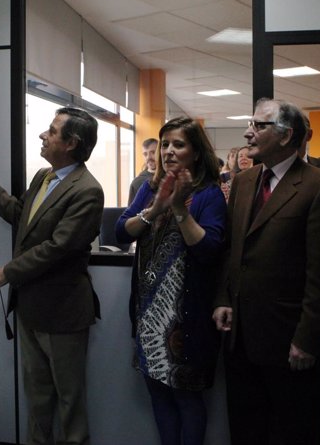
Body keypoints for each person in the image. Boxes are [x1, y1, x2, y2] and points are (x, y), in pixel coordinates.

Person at [213, 98, 320, 445]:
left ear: (286, 136)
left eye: (259, 125)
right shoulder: (243, 182)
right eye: (250, 124)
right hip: (240, 334)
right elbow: (232, 249)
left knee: (291, 430)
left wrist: (308, 339)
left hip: (289, 339)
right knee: (245, 427)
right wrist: (224, 297)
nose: (248, 132)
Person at [0, 107, 104, 445]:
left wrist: (8, 272)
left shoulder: (87, 190)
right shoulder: (43, 177)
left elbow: (58, 248)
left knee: (70, 402)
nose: (43, 135)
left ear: (71, 143)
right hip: (31, 307)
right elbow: (21, 216)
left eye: (52, 131)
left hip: (63, 312)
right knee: (38, 398)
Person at [115, 117, 225, 445]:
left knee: (187, 399)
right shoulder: (150, 188)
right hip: (150, 315)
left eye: (179, 144)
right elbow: (120, 232)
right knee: (159, 396)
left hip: (188, 319)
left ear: (196, 152)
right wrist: (155, 209)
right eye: (165, 144)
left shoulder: (208, 194)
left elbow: (208, 250)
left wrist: (178, 207)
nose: (168, 152)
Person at [128, 138, 158, 205]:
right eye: (145, 154)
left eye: (153, 152)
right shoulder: (137, 183)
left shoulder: (172, 177)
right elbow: (130, 214)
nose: (148, 157)